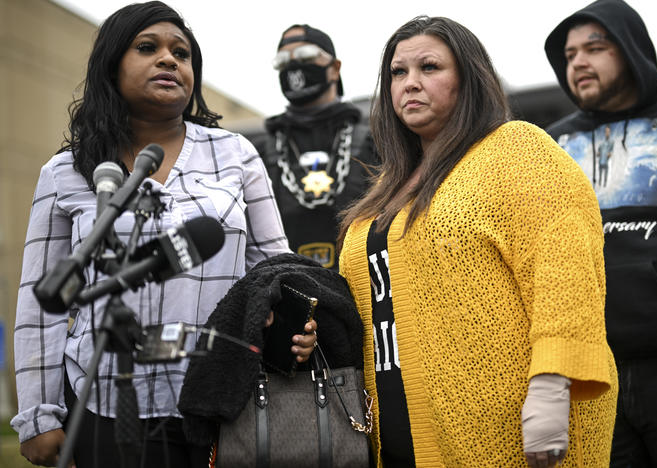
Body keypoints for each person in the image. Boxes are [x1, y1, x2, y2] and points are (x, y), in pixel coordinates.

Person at [11, 2, 316, 467]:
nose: (170, 60)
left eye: (183, 53)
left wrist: (297, 321)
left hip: (221, 399)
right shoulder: (65, 172)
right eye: (148, 48)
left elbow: (276, 266)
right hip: (107, 405)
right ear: (112, 65)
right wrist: (39, 415)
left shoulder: (236, 154)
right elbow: (40, 302)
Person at [337, 15, 617, 468]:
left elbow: (565, 270)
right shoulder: (387, 188)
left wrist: (552, 385)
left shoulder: (516, 149)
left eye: (429, 67)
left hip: (512, 430)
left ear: (469, 78)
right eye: (397, 72)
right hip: (397, 430)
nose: (410, 83)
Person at [544, 0, 657, 465]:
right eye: (569, 55)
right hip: (589, 375)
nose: (579, 62)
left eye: (595, 48)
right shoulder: (550, 145)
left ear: (632, 50)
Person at [252, 24, 378, 271]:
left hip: (359, 291)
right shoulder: (257, 154)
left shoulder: (375, 143)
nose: (293, 67)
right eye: (283, 61)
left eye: (305, 56)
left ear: (335, 69)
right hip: (286, 291)